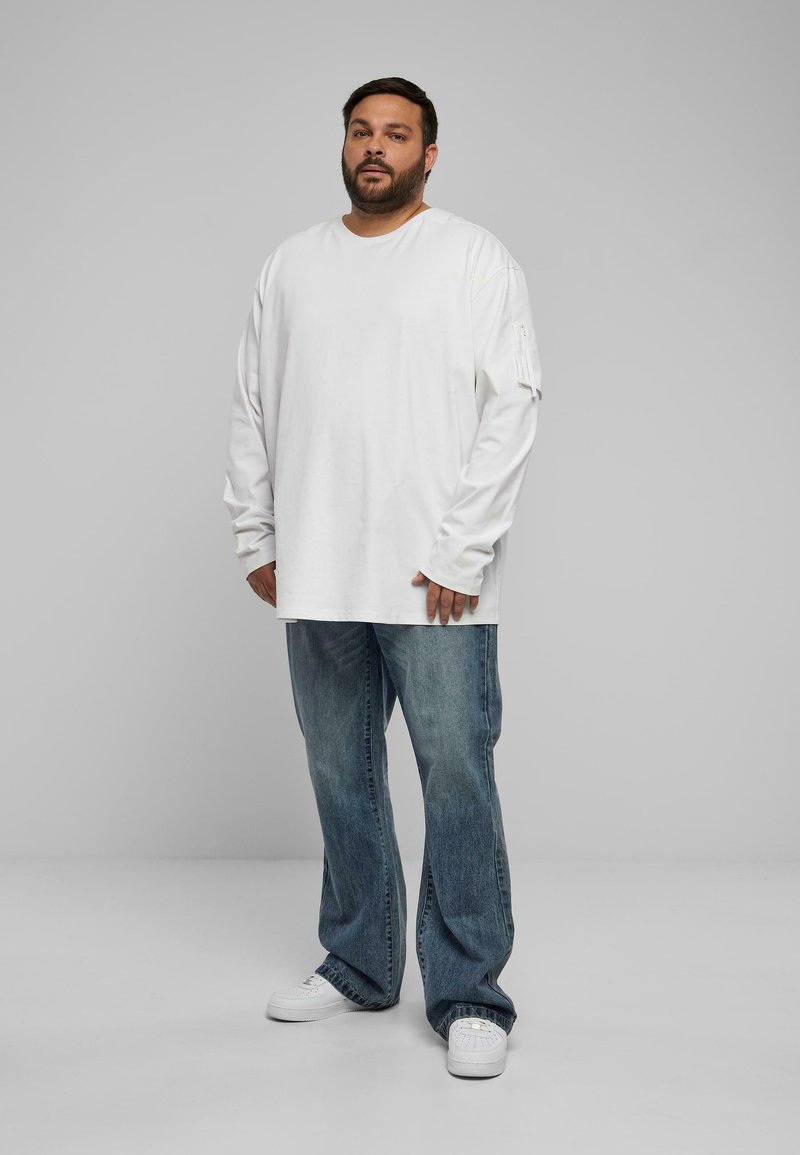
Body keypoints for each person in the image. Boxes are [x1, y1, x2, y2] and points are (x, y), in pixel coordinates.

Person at [223, 76, 543, 1078]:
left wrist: (462, 548)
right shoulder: (291, 264)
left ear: (428, 154)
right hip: (318, 568)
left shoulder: (472, 257)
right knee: (340, 774)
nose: (375, 147)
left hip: (434, 578)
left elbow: (514, 401)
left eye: (396, 134)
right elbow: (252, 400)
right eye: (361, 131)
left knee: (456, 776)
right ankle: (359, 962)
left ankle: (469, 993)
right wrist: (257, 534)